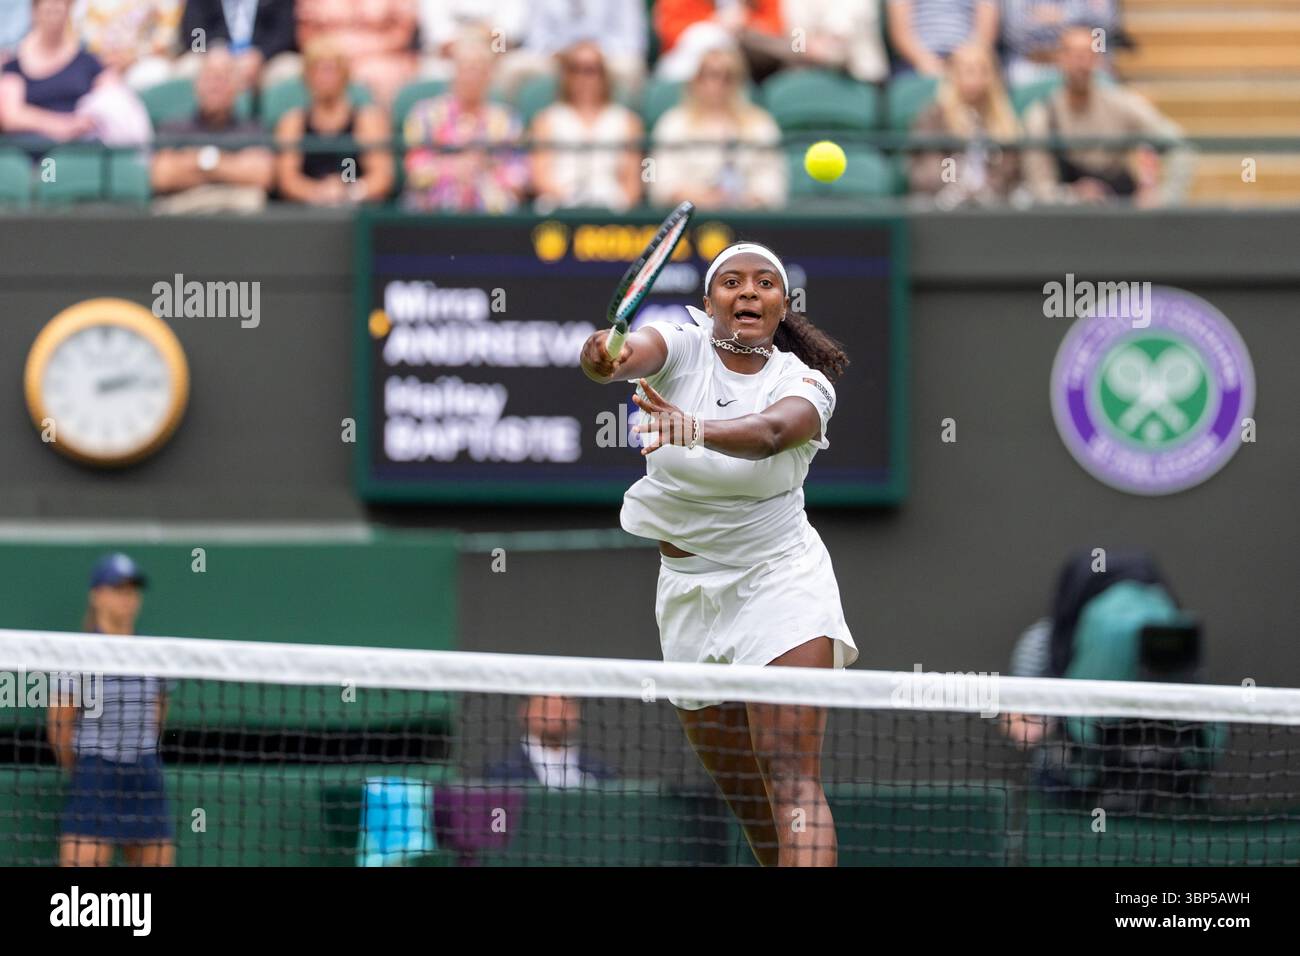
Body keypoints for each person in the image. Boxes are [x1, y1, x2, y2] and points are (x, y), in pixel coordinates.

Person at [578, 242, 857, 867]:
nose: (748, 291)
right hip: (687, 591)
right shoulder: (680, 348)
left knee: (789, 770)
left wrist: (694, 429)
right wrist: (602, 354)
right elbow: (624, 355)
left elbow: (772, 434)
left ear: (783, 306)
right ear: (710, 304)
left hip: (781, 580)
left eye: (765, 283)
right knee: (742, 788)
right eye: (732, 282)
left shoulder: (804, 382)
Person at [48, 553, 175, 867]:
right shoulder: (74, 654)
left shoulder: (156, 655)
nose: (127, 598)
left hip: (144, 773)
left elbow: (158, 715)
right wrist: (86, 771)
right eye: (118, 589)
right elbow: (60, 725)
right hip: (95, 774)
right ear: (97, 595)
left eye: (132, 590)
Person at [1021, 24, 1194, 207]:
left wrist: (1164, 198)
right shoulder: (1041, 115)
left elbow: (1180, 145)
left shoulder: (1121, 103)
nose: (1081, 63)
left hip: (1120, 211)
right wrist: (1072, 196)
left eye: (1088, 54)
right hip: (1066, 220)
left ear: (1098, 60)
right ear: (1060, 59)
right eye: (1074, 54)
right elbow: (1039, 187)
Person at [400, 30, 527, 213]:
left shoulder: (506, 120)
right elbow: (415, 170)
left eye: (478, 69)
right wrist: (453, 168)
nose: (471, 77)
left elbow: (519, 176)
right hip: (433, 213)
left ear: (490, 75)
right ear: (454, 72)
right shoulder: (426, 114)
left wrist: (483, 168)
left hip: (493, 217)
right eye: (465, 68)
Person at [648, 44, 785, 210]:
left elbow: (771, 180)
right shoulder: (673, 123)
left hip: (748, 221)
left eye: (727, 77)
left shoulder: (760, 123)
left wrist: (748, 199)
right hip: (690, 220)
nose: (716, 84)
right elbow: (663, 183)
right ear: (695, 80)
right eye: (709, 75)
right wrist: (700, 199)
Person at [151, 44, 274, 212]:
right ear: (196, 85)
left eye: (223, 78)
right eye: (209, 78)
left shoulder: (252, 129)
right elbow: (162, 177)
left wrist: (196, 161)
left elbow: (262, 176)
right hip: (186, 208)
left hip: (236, 210)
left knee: (253, 200)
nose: (215, 86)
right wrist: (232, 166)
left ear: (238, 87)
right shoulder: (174, 127)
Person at [274, 37, 392, 206]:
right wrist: (318, 193)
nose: (325, 78)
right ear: (307, 76)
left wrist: (350, 192)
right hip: (307, 214)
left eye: (331, 70)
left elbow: (381, 177)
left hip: (356, 211)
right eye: (318, 70)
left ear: (344, 75)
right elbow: (287, 179)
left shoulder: (367, 119)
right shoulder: (292, 122)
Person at [529, 40, 643, 212]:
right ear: (566, 74)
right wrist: (571, 199)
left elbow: (632, 183)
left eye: (591, 70)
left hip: (612, 207)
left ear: (603, 74)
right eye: (575, 69)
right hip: (559, 206)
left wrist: (619, 207)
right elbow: (540, 177)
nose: (583, 77)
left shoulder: (628, 120)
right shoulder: (546, 119)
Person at [908, 43, 1023, 207]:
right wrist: (954, 185)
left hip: (993, 202)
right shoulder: (934, 116)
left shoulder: (1003, 118)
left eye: (982, 71)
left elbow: (1009, 167)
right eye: (968, 71)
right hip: (944, 201)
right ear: (953, 74)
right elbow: (930, 163)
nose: (975, 78)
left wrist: (987, 189)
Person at [0, 0, 109, 151]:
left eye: (58, 10)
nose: (53, 18)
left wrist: (85, 122)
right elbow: (10, 116)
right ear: (35, 13)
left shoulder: (87, 61)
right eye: (48, 11)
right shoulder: (15, 62)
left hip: (80, 148)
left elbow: (110, 98)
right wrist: (61, 125)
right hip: (33, 151)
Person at [294, 0, 418, 108]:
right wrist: (332, 52)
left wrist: (365, 49)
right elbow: (306, 32)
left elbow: (403, 33)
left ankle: (378, 131)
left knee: (382, 74)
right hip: (326, 53)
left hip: (379, 56)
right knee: (320, 70)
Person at [483, 695, 616, 788]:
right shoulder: (501, 772)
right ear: (525, 712)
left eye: (564, 709)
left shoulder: (601, 772)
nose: (555, 716)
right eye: (545, 708)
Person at [176, 0, 299, 91]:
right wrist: (211, 50)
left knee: (289, 70)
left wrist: (261, 55)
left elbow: (285, 32)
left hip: (263, 59)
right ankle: (188, 124)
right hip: (214, 55)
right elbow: (193, 29)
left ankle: (279, 125)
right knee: (187, 68)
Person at [1001, 0, 1119, 87]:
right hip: (1031, 62)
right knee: (1018, 80)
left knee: (1103, 79)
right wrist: (1076, 22)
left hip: (1080, 60)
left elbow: (1104, 25)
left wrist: (1065, 16)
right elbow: (1013, 31)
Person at [72, 0, 180, 89]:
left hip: (140, 63)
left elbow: (166, 36)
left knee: (156, 72)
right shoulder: (84, 4)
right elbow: (78, 36)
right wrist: (104, 58)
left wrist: (131, 57)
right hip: (96, 63)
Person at [886, 0, 997, 76]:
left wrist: (965, 62)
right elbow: (900, 32)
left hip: (968, 59)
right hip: (916, 63)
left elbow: (986, 30)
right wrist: (926, 62)